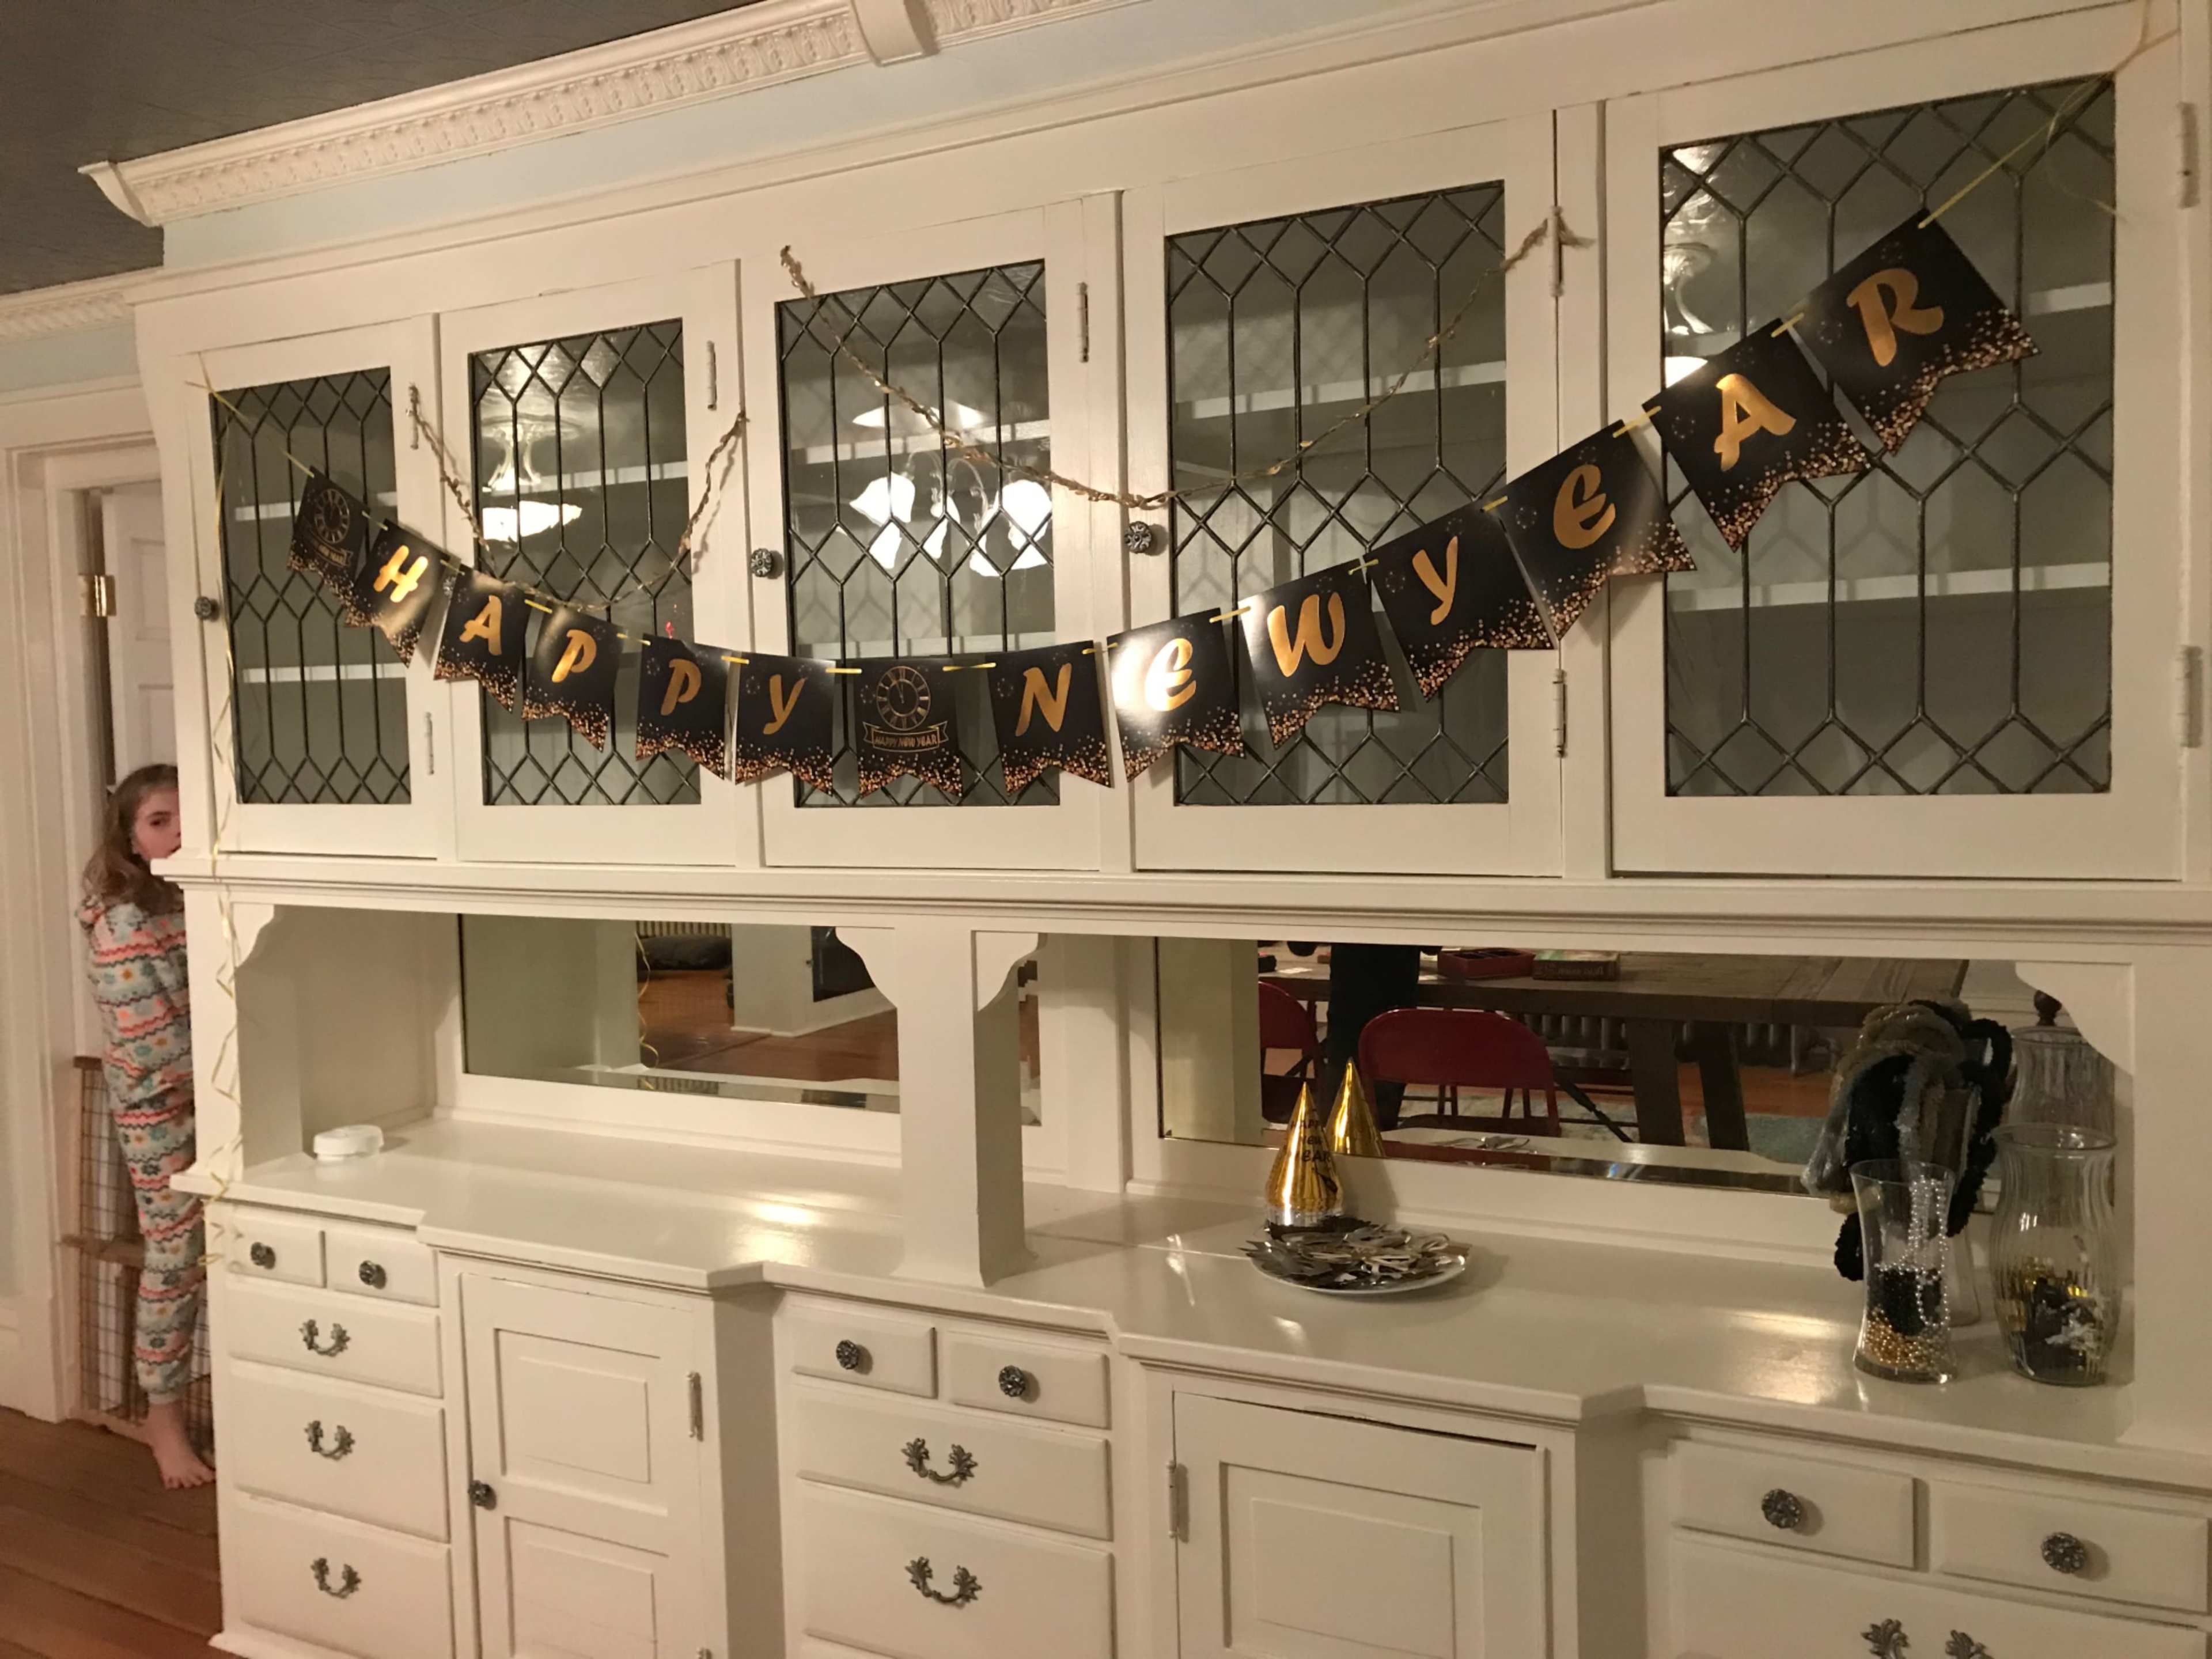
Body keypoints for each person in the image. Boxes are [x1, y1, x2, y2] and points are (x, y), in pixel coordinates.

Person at [79, 763, 212, 1488]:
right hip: (162, 1109)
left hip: (224, 1092)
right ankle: (163, 1418)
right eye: (160, 821)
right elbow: (153, 1046)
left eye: (188, 817)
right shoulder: (123, 917)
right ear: (131, 838)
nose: (179, 832)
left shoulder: (199, 895)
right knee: (177, 1253)